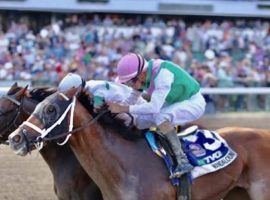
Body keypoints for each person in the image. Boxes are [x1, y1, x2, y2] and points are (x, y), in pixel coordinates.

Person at [107, 53, 206, 178]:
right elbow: (130, 101)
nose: (130, 86)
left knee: (160, 117)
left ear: (141, 74)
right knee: (140, 121)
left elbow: (154, 107)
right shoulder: (144, 76)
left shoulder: (162, 75)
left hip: (194, 102)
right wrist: (110, 110)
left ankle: (182, 160)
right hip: (176, 102)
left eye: (130, 82)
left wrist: (122, 108)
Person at [58, 73, 146, 125]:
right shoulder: (89, 86)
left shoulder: (97, 94)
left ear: (79, 89)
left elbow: (98, 111)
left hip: (138, 110)